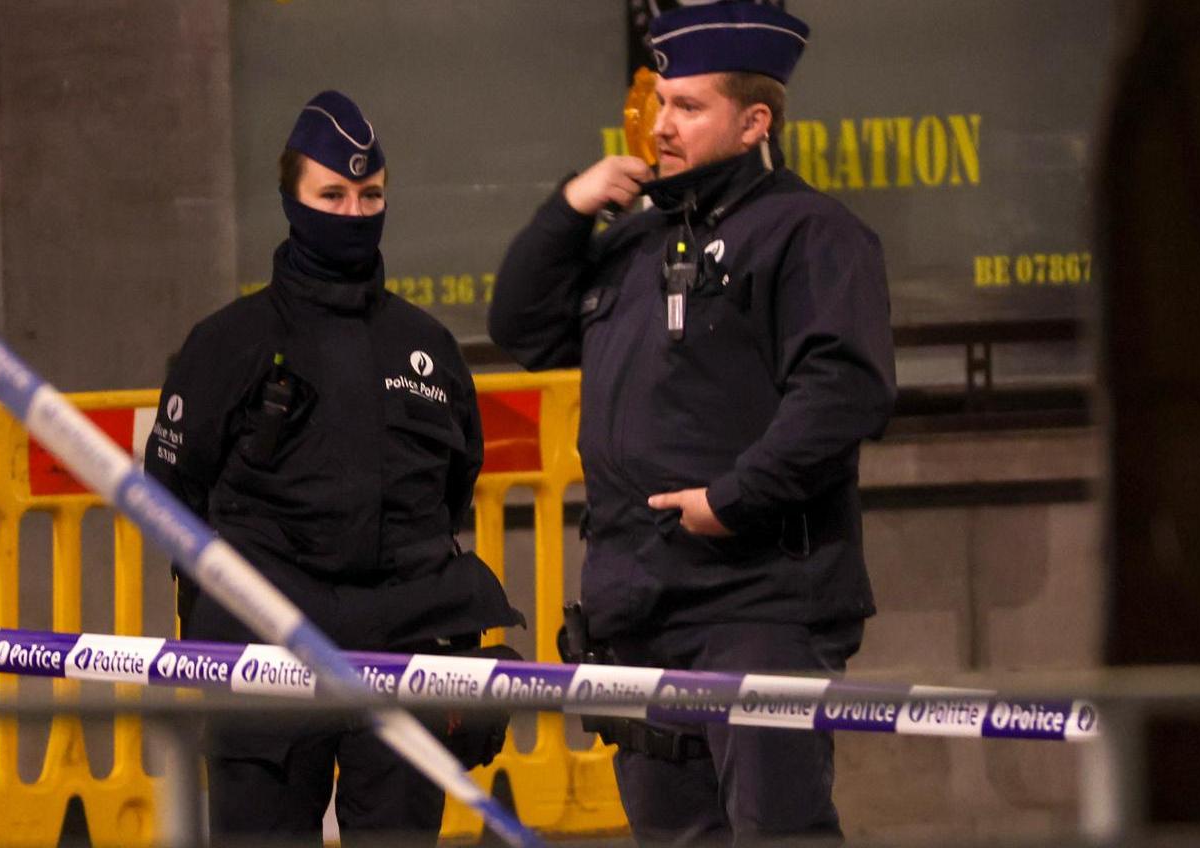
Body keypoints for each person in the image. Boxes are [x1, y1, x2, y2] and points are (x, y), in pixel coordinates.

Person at [489, 1, 897, 842]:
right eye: (659, 102)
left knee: (775, 830)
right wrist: (571, 207)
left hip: (759, 599)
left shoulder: (809, 232)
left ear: (755, 122)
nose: (660, 126)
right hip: (637, 604)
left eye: (689, 107)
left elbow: (842, 392)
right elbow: (522, 329)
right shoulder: (637, 241)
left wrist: (732, 499)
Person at [144, 90, 522, 846]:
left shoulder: (427, 346)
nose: (353, 212)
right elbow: (173, 493)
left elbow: (453, 491)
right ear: (292, 197)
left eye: (370, 194)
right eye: (332, 194)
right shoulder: (228, 344)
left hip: (406, 645)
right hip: (265, 647)